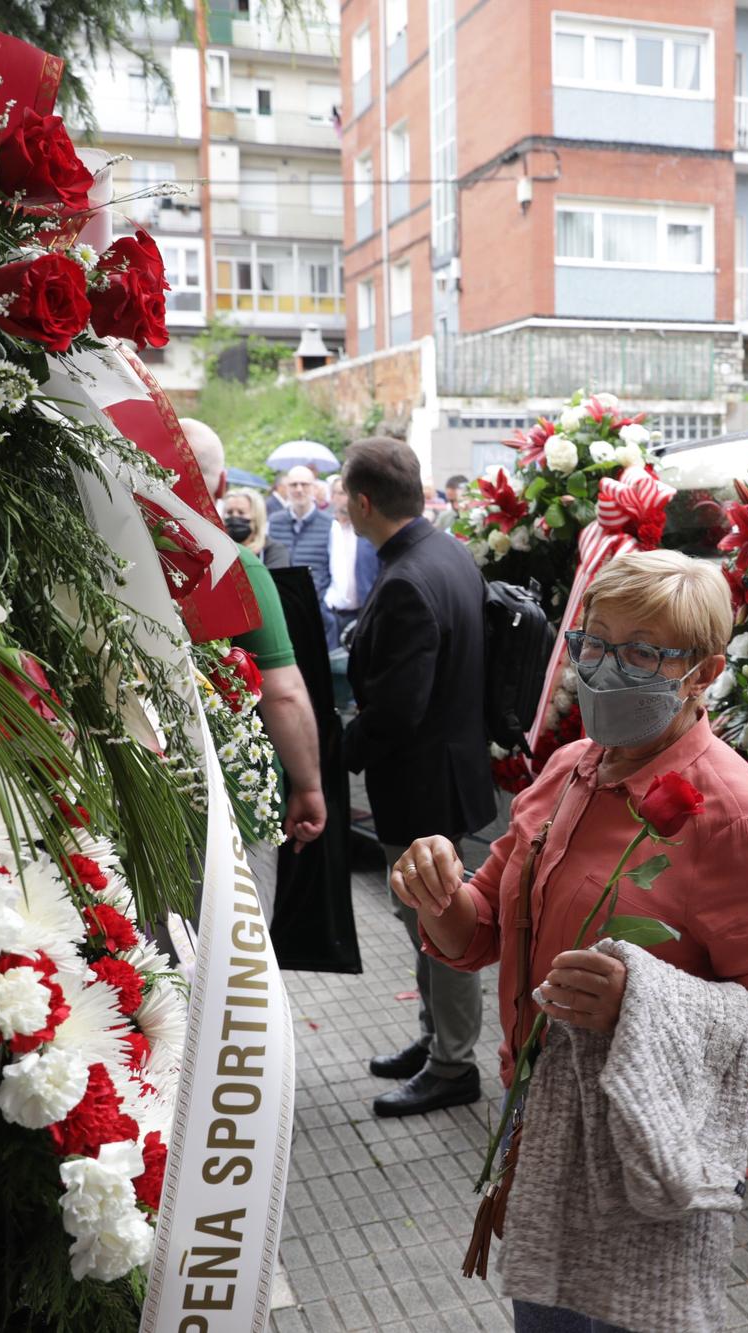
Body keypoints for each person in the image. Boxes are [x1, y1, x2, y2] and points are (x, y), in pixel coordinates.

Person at [388, 548, 748, 1333]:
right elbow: (483, 923)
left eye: (644, 651)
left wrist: (641, 1003)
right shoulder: (570, 766)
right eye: (594, 642)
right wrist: (440, 895)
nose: (607, 669)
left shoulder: (730, 813)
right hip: (540, 1121)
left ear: (705, 672)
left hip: (641, 1145)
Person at [343, 436, 499, 1116]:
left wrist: (334, 749)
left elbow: (400, 707)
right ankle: (435, 1037)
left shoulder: (407, 576)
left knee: (438, 924)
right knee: (425, 923)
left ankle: (453, 1063)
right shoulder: (448, 552)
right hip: (452, 769)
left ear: (362, 502)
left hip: (422, 783)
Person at [181, 419, 329, 918]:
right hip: (230, 806)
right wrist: (308, 786)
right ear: (221, 486)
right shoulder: (235, 565)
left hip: (137, 796)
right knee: (237, 967)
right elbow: (282, 692)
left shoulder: (110, 554)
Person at [267, 462, 335, 632]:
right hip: (280, 609)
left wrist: (326, 603)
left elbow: (337, 570)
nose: (299, 489)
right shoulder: (273, 522)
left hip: (316, 609)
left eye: (304, 484)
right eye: (293, 484)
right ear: (286, 488)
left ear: (313, 488)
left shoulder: (330, 525)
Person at [324, 474, 378, 645]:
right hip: (331, 613)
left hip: (363, 613)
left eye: (348, 493)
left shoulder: (368, 532)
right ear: (332, 497)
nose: (345, 498)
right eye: (340, 493)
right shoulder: (326, 530)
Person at [220, 488, 290, 568]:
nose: (234, 516)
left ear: (257, 517)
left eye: (241, 512)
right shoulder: (219, 550)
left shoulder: (274, 551)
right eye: (229, 512)